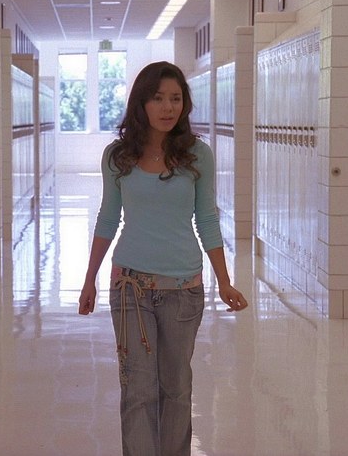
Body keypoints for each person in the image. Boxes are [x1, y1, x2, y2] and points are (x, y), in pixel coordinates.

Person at [78, 61, 248, 456]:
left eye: (175, 98)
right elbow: (108, 218)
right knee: (137, 391)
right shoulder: (118, 156)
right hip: (129, 287)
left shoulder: (197, 155)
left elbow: (207, 218)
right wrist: (89, 279)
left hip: (183, 289)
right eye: (158, 98)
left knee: (177, 389)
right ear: (142, 103)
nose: (168, 107)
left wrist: (224, 280)